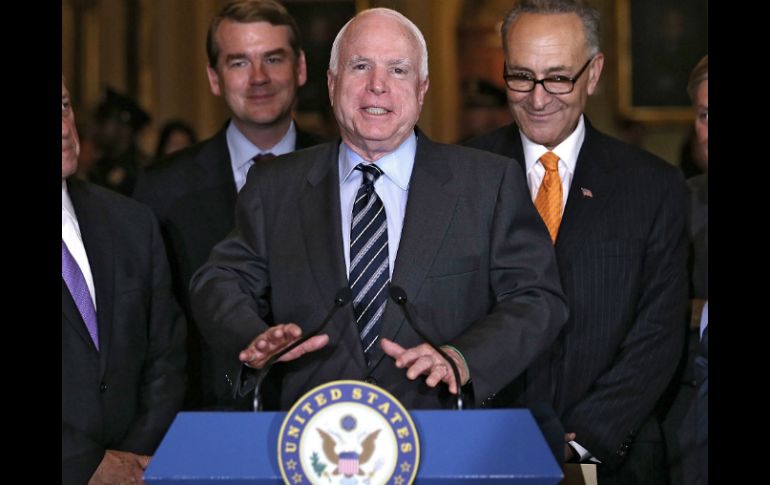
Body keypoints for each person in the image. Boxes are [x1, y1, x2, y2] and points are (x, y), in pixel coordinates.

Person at [190, 7, 568, 412]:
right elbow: (219, 279)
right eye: (361, 66)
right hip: (311, 439)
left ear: (422, 88)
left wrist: (463, 358)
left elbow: (536, 298)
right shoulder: (274, 186)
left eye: (398, 70)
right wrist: (252, 335)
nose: (377, 86)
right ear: (332, 83)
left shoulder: (487, 184)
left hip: (443, 434)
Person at [466, 1, 687, 483]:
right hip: (482, 452)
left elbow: (659, 333)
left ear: (595, 73)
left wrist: (585, 441)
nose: (538, 98)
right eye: (521, 76)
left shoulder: (653, 186)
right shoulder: (458, 176)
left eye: (558, 78)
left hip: (615, 457)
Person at [133, 0, 326, 410]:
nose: (259, 78)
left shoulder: (344, 168)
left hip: (327, 409)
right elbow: (149, 326)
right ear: (214, 78)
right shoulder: (161, 188)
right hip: (206, 416)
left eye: (273, 58)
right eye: (238, 63)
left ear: (301, 68)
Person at [62, 76, 186, 484]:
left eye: (64, 106)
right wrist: (85, 464)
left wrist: (130, 461)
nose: (64, 127)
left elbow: (166, 354)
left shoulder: (131, 221)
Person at [89, 87, 152, 196]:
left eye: (103, 122)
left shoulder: (140, 171)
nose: (96, 129)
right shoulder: (99, 166)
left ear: (123, 128)